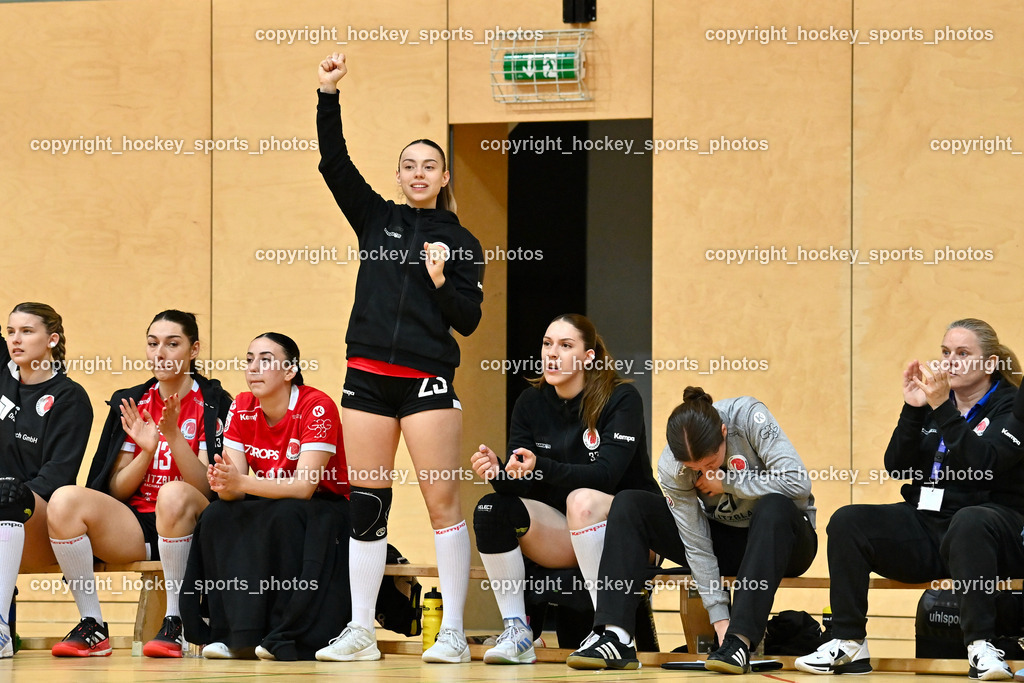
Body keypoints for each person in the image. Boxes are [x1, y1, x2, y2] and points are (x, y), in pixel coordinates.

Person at [314, 52, 485, 664]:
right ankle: (361, 630)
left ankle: (454, 633)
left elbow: (469, 319)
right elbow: (334, 164)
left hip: (427, 381)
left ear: (443, 177)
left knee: (442, 503)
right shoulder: (375, 219)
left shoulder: (462, 241)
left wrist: (441, 281)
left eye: (429, 166)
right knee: (367, 502)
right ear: (398, 175)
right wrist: (327, 93)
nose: (419, 174)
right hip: (366, 377)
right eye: (409, 166)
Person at [796, 318, 1024, 680]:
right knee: (848, 520)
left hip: (990, 534)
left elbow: (986, 465)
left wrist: (942, 410)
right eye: (946, 352)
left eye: (963, 354)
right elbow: (898, 467)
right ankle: (848, 641)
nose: (950, 361)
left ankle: (981, 645)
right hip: (930, 528)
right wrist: (913, 408)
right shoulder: (937, 403)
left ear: (990, 364)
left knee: (970, 520)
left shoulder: (1011, 407)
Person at [568, 386, 817, 673]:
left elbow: (798, 484)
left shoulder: (748, 416)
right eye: (694, 468)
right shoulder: (672, 467)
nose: (704, 474)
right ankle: (616, 637)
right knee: (629, 504)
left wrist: (727, 483)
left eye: (711, 464)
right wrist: (719, 619)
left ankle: (741, 640)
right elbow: (696, 543)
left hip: (786, 541)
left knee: (772, 506)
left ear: (723, 433)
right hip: (727, 541)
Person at [470, 313, 660, 665]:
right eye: (547, 344)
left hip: (627, 531)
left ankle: (608, 631)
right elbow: (521, 477)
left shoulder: (622, 398)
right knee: (492, 509)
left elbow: (604, 475)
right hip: (565, 528)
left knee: (582, 500)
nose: (552, 354)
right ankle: (518, 631)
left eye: (565, 345)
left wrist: (540, 466)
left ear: (588, 356)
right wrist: (499, 472)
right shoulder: (530, 402)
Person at [46, 310, 231, 657]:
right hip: (139, 525)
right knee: (63, 500)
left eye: (172, 344)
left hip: (194, 522)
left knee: (173, 493)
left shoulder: (213, 402)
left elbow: (208, 489)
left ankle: (176, 621)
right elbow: (115, 490)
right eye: (152, 343)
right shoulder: (133, 400)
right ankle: (93, 624)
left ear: (194, 349)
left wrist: (173, 437)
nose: (160, 353)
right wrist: (147, 452)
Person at [181, 332, 350, 661]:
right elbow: (234, 488)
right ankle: (228, 634)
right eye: (249, 359)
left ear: (290, 371)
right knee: (216, 516)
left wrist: (238, 482)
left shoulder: (317, 406)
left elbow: (304, 487)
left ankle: (282, 633)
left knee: (284, 516)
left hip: (325, 507)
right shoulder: (242, 406)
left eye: (265, 360)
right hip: (272, 499)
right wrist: (223, 483)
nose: (253, 368)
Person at [0, 302, 92, 659]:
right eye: (10, 331)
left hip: (38, 516)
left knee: (7, 494)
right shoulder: (4, 374)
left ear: (52, 339)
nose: (16, 340)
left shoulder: (70, 398)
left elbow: (57, 478)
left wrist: (10, 497)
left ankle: (2, 631)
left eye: (27, 331)